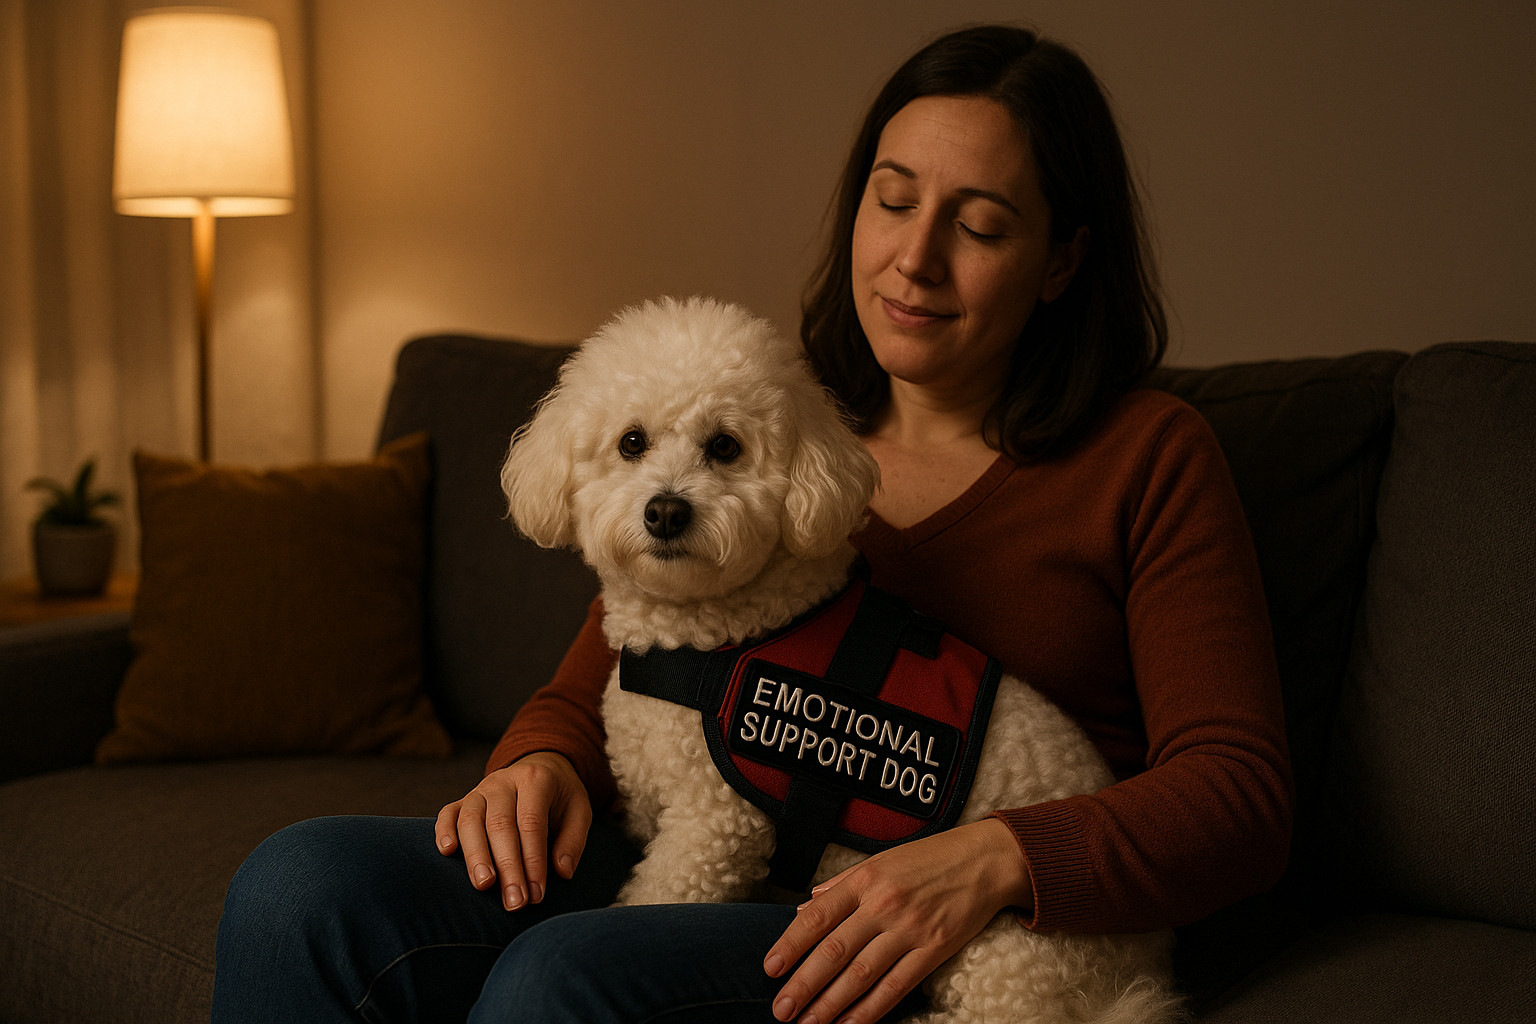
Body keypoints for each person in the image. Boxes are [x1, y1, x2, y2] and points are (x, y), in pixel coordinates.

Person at [212, 24, 1291, 1024]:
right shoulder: (763, 413)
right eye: (893, 199)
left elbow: (1238, 795)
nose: (916, 257)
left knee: (564, 975)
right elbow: (607, 671)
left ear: (1060, 259)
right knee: (299, 885)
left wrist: (996, 857)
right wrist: (536, 762)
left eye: (979, 225)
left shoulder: (1147, 454)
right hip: (710, 835)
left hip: (932, 916)